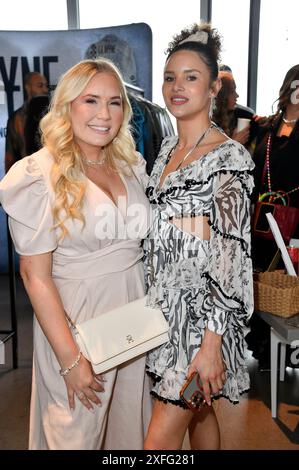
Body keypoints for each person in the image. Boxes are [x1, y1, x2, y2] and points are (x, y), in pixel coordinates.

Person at [0, 58, 152, 450]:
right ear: (67, 105)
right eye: (91, 101)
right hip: (78, 328)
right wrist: (70, 360)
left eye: (115, 102)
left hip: (136, 323)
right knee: (74, 435)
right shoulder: (39, 174)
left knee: (127, 432)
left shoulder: (130, 164)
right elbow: (35, 276)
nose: (104, 114)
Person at [143, 23, 254, 450]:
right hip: (162, 314)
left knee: (157, 445)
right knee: (199, 415)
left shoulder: (230, 158)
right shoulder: (166, 151)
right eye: (171, 77)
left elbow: (231, 256)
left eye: (191, 77)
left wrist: (212, 344)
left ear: (212, 90)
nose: (177, 86)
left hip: (201, 322)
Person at [246, 64, 299, 370]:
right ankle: (263, 347)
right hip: (262, 220)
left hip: (294, 223)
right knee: (261, 282)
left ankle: (284, 352)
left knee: (287, 284)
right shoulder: (264, 128)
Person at [5, 71, 48, 172]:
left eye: (46, 85)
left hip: (52, 177)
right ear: (28, 88)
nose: (45, 90)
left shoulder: (54, 115)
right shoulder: (16, 119)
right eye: (40, 85)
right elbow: (10, 155)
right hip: (26, 177)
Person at [212, 70, 251, 145]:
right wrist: (235, 142)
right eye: (232, 91)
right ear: (223, 96)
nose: (237, 95)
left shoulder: (232, 116)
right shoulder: (208, 124)